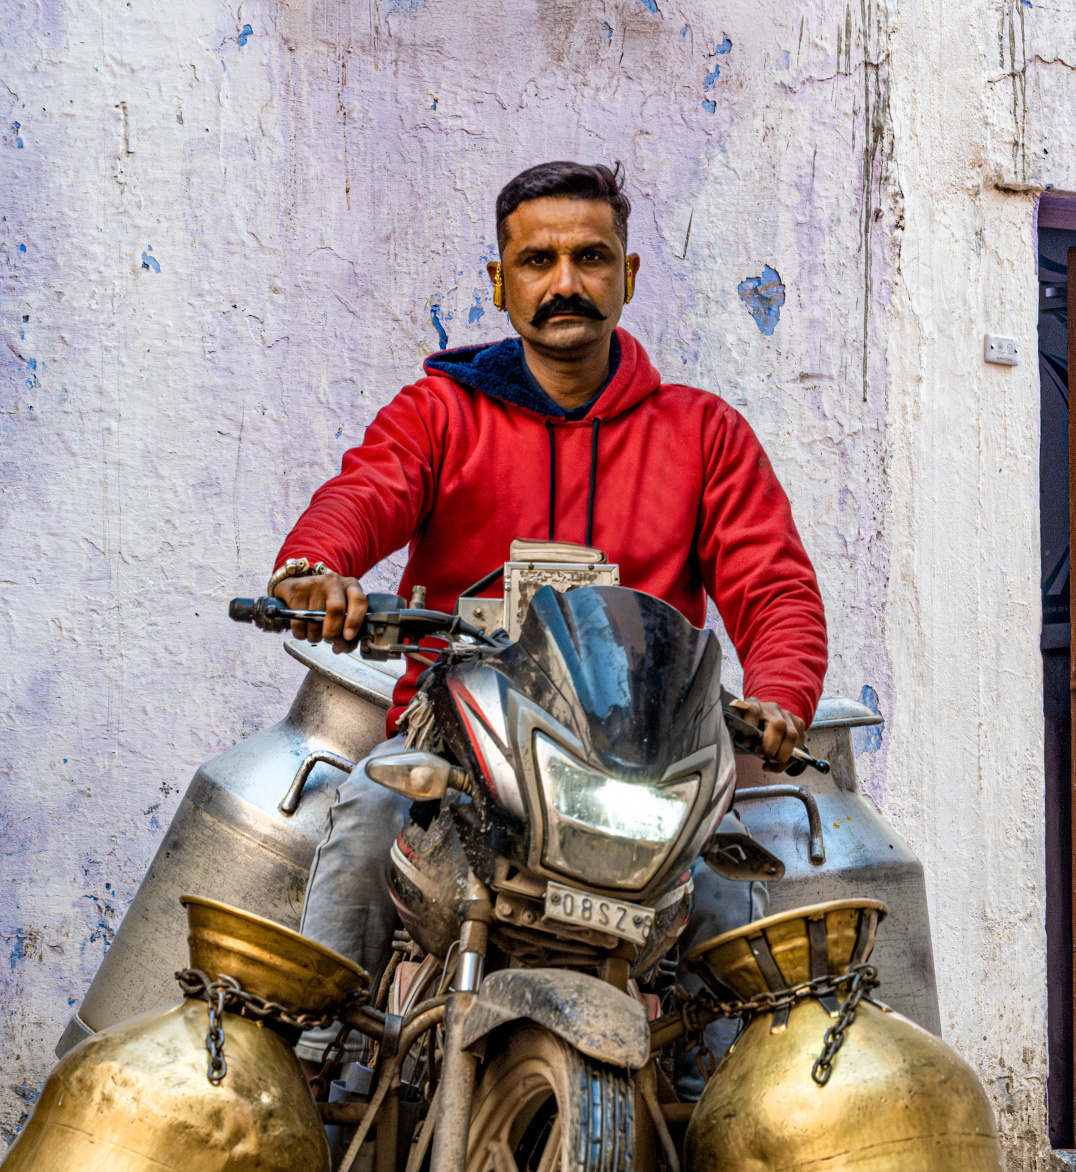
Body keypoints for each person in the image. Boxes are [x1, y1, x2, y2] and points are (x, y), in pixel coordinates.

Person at [268, 159, 828, 983]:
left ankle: (723, 1110)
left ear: (628, 276)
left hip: (646, 766)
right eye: (538, 261)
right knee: (361, 825)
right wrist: (317, 568)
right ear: (502, 283)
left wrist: (780, 694)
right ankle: (315, 1080)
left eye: (591, 258)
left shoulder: (703, 433)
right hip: (455, 751)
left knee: (732, 919)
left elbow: (774, 588)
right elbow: (367, 491)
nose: (566, 282)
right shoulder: (441, 413)